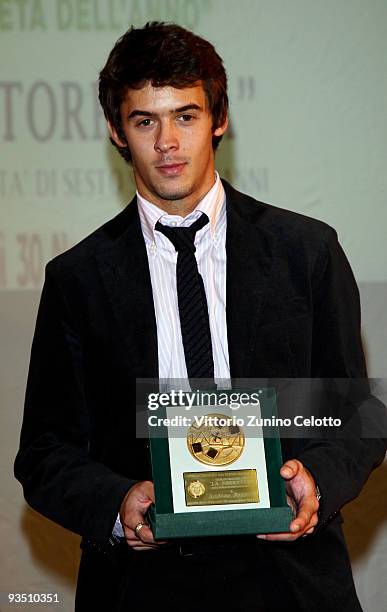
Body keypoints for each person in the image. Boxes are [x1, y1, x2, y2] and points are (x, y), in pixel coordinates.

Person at [14, 22, 386, 612]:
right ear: (116, 131)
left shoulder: (307, 251)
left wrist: (316, 483)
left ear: (219, 119)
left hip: (291, 584)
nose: (167, 142)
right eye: (145, 121)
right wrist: (118, 502)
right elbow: (44, 452)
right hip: (141, 589)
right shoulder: (76, 279)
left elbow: (355, 414)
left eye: (185, 116)